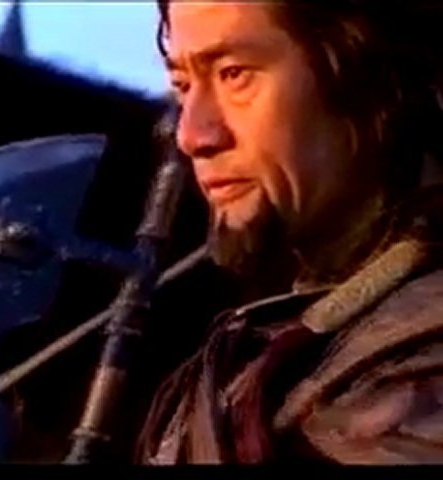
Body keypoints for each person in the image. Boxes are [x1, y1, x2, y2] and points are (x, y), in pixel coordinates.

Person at [136, 1, 443, 463]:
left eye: (234, 74)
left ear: (369, 74)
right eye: (183, 86)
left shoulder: (424, 359)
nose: (193, 134)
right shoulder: (252, 358)